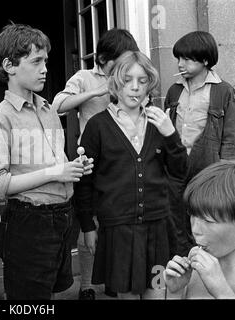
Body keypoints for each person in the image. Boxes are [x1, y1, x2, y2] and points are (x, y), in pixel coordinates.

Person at [0, 23, 93, 300]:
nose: (44, 68)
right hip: (28, 222)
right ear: (9, 65)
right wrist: (55, 172)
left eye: (45, 61)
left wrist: (74, 168)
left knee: (50, 292)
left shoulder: (49, 109)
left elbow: (57, 161)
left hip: (61, 216)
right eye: (36, 61)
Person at [74, 51, 188, 299]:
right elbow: (85, 181)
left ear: (150, 83)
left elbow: (180, 171)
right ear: (116, 82)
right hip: (119, 232)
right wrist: (87, 225)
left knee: (157, 292)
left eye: (142, 80)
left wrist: (171, 134)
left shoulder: (160, 122)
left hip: (157, 232)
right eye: (128, 80)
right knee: (126, 295)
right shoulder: (98, 126)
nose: (135, 87)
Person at [52, 28, 139, 300]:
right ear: (103, 57)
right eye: (120, 60)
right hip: (91, 160)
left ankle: (115, 279)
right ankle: (87, 284)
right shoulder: (84, 77)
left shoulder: (129, 77)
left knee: (116, 223)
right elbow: (57, 105)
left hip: (122, 160)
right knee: (87, 221)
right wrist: (97, 91)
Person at [164, 31, 235, 257]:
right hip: (176, 166)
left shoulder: (223, 90)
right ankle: (185, 269)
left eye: (187, 59)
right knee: (177, 218)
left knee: (205, 219)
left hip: (207, 167)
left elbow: (231, 135)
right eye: (178, 58)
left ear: (205, 60)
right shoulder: (174, 90)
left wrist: (225, 173)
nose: (180, 64)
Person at [164, 160, 235, 299]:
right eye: (192, 216)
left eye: (208, 221)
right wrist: (175, 292)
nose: (195, 230)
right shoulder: (196, 271)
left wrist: (222, 292)